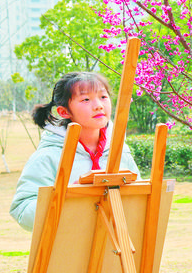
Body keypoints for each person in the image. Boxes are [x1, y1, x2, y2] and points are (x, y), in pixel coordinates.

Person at [10, 72, 139, 231]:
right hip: (67, 249)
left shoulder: (119, 150)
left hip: (115, 250)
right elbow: (21, 210)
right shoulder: (48, 156)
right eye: (86, 99)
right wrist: (68, 198)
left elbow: (139, 198)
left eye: (103, 97)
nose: (98, 105)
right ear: (64, 112)